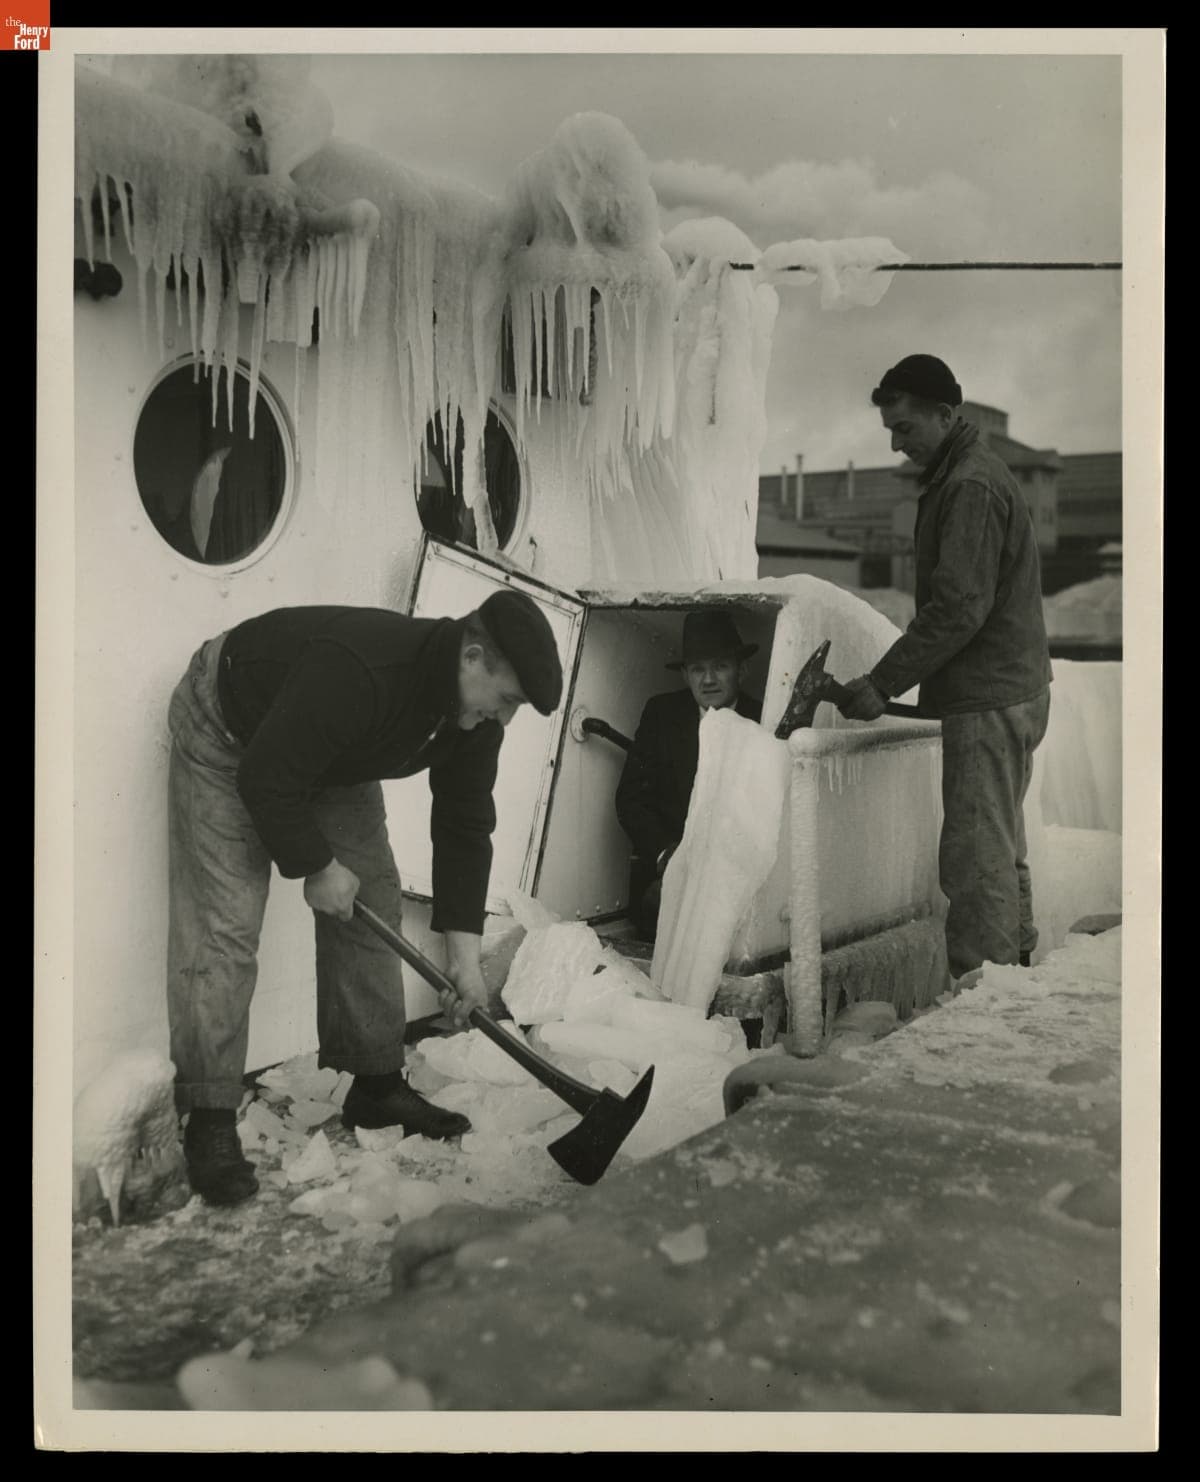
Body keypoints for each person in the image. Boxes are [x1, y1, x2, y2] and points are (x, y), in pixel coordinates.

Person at [166, 592, 563, 1206]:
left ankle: (376, 1087)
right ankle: (210, 1119)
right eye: (507, 699)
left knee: (371, 894)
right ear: (474, 657)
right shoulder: (363, 672)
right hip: (227, 733)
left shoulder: (474, 718)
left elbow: (463, 824)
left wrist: (464, 959)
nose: (504, 719)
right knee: (226, 925)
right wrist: (316, 866)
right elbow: (266, 775)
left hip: (324, 753)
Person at [838, 354, 1052, 981]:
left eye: (906, 428)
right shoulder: (963, 473)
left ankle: (984, 1007)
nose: (898, 445)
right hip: (1009, 691)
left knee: (976, 860)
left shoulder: (968, 485)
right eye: (891, 432)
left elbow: (958, 607)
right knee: (1000, 849)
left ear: (945, 414)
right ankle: (1014, 981)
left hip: (990, 701)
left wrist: (882, 683)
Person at [615, 608, 762, 940]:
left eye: (720, 666)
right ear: (685, 675)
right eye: (697, 669)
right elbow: (630, 800)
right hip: (668, 877)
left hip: (737, 881)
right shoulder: (661, 714)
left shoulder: (763, 720)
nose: (708, 680)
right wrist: (667, 857)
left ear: (743, 670)